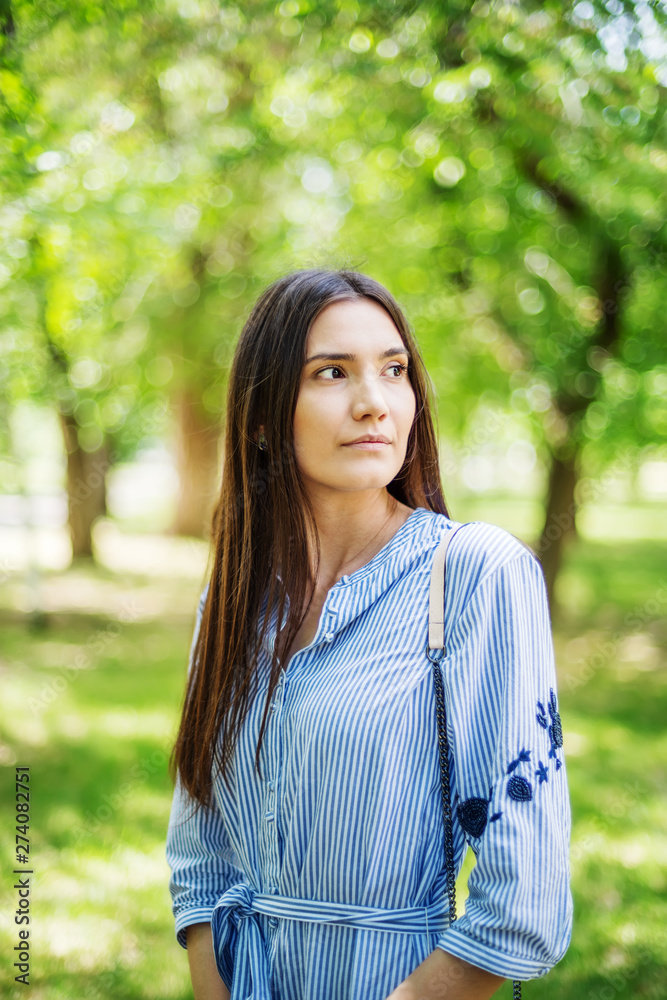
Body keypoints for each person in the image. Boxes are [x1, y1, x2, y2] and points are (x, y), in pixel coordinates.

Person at [166, 268, 573, 1000]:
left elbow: (523, 903)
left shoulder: (478, 573)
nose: (374, 403)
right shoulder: (233, 600)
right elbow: (200, 859)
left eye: (393, 370)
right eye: (331, 372)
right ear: (260, 418)